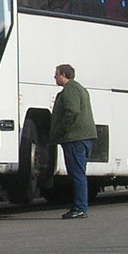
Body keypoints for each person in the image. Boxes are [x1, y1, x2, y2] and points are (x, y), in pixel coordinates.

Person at [49, 62, 96, 220]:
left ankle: (80, 208)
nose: (54, 77)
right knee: (78, 173)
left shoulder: (70, 89)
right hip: (82, 137)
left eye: (56, 74)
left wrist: (61, 130)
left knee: (77, 174)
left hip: (75, 138)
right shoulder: (79, 88)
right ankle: (79, 206)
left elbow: (72, 111)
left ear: (63, 75)